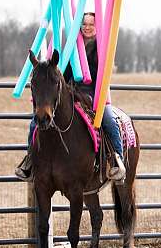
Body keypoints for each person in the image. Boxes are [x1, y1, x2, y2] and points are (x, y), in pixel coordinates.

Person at [15, 12, 126, 182]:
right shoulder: (72, 46)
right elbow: (64, 74)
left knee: (109, 120)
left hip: (95, 93)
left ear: (97, 27)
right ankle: (30, 160)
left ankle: (117, 160)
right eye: (84, 24)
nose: (87, 27)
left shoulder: (102, 48)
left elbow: (101, 75)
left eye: (91, 24)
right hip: (72, 92)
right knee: (34, 123)